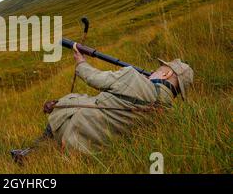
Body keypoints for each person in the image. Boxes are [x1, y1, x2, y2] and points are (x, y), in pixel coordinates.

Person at [11, 44, 194, 162]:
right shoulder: (168, 114)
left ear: (166, 74)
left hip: (76, 134)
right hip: (99, 152)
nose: (153, 70)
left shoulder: (133, 77)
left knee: (69, 103)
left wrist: (81, 62)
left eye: (159, 68)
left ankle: (30, 153)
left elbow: (93, 78)